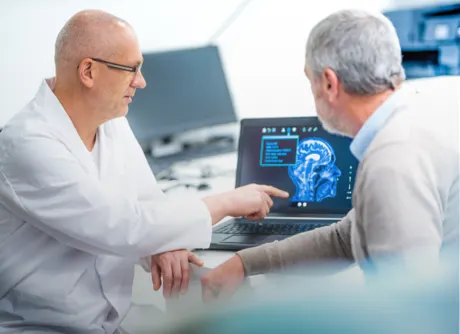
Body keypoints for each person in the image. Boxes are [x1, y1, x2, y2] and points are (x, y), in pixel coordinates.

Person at [0, 9, 288, 333]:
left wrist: (160, 244)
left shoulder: (112, 123)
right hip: (44, 327)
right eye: (131, 69)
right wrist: (227, 202)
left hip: (112, 320)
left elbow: (148, 204)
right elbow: (120, 225)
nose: (141, 81)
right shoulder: (26, 144)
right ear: (88, 71)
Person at [201, 9, 459, 301]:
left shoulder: (393, 162)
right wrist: (244, 263)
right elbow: (346, 237)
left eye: (309, 81)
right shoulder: (412, 121)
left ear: (328, 83)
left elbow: (408, 309)